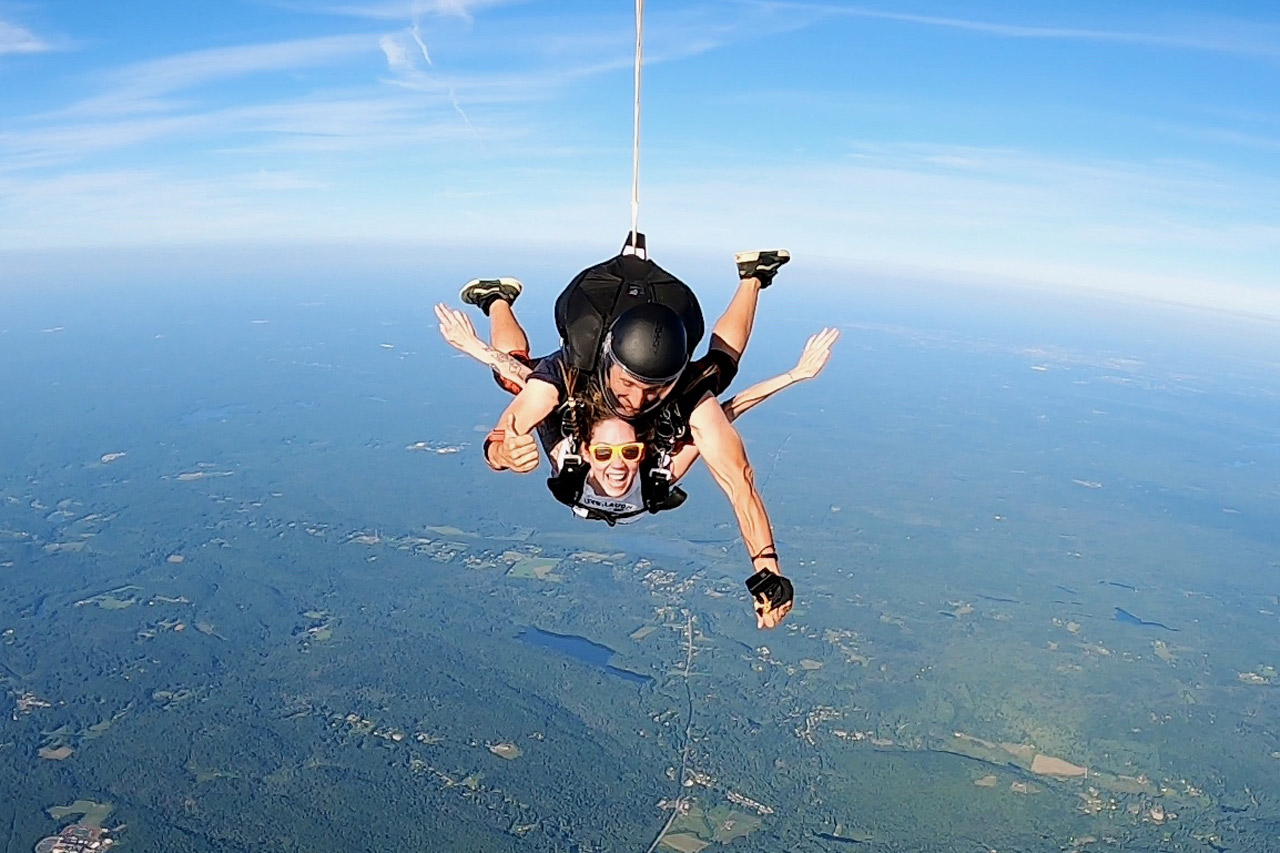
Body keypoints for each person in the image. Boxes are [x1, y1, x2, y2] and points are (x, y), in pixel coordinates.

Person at [436, 250, 810, 629]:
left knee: (514, 374)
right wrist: (507, 451)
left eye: (654, 390)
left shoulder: (681, 398)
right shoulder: (568, 379)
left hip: (606, 367)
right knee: (516, 374)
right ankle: (496, 298)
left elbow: (739, 481)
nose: (637, 399)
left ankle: (496, 298)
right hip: (598, 367)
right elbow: (739, 479)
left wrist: (504, 452)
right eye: (628, 384)